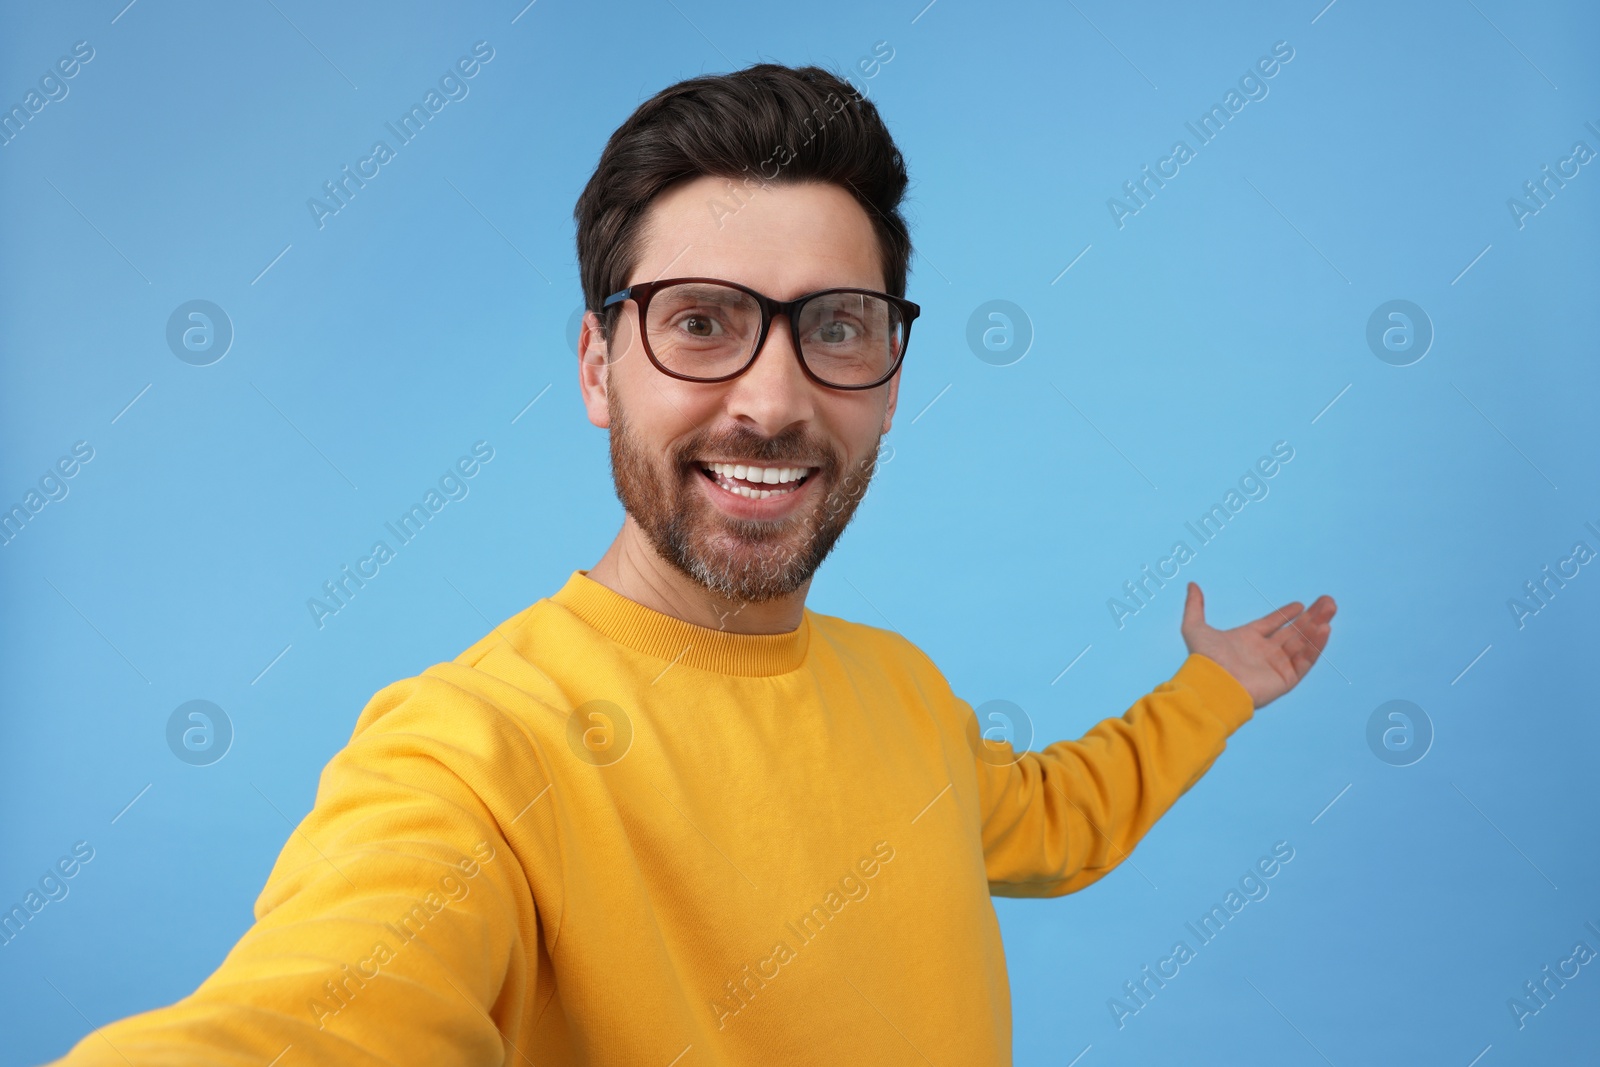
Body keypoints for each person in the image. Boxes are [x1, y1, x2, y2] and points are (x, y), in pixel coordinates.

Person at [46, 62, 1335, 1065]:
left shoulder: (904, 693)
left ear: (891, 380)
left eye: (836, 327)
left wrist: (1213, 688)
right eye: (703, 324)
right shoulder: (470, 756)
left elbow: (1061, 815)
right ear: (600, 368)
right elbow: (323, 1012)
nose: (772, 400)